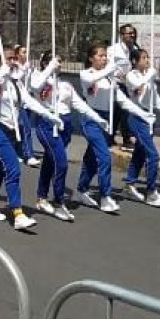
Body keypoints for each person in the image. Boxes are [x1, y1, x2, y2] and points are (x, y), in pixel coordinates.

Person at [0, 46, 59, 230]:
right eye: (9, 58)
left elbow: (27, 100)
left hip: (11, 130)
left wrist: (48, 114)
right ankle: (18, 213)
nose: (14, 61)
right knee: (13, 169)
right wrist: (1, 73)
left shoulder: (15, 81)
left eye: (15, 58)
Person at [30, 52, 108, 221]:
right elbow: (35, 87)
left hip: (65, 126)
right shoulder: (39, 77)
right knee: (61, 163)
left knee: (50, 161)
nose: (59, 64)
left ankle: (41, 197)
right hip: (48, 125)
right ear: (45, 62)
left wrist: (98, 118)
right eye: (55, 61)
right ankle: (59, 203)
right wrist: (49, 67)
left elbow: (80, 105)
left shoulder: (65, 84)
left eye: (59, 61)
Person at [77, 43, 153, 211]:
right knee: (104, 157)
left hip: (106, 118)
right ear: (91, 58)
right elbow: (90, 81)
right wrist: (110, 69)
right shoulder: (86, 74)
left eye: (105, 56)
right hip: (91, 118)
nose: (104, 58)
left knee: (91, 157)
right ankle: (105, 196)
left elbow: (123, 101)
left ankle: (82, 188)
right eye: (100, 56)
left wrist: (143, 114)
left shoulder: (110, 78)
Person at [122, 49, 160, 207]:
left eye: (148, 57)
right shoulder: (131, 76)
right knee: (152, 155)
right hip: (137, 118)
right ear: (134, 61)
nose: (147, 60)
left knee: (140, 152)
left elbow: (158, 102)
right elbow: (137, 86)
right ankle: (151, 192)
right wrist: (151, 74)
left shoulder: (149, 79)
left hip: (149, 119)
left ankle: (129, 182)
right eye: (143, 58)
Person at [108, 24, 140, 150]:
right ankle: (110, 137)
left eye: (133, 33)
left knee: (128, 111)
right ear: (122, 35)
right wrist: (118, 74)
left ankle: (127, 138)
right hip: (117, 84)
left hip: (130, 85)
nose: (132, 35)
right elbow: (109, 67)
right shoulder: (113, 50)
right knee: (116, 112)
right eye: (129, 33)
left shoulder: (135, 49)